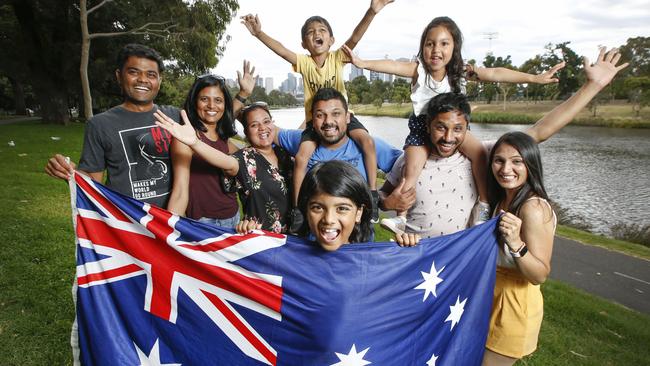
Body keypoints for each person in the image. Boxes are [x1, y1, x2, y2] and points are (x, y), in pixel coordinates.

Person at [382, 47, 628, 246]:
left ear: (467, 128)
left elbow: (539, 132)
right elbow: (384, 196)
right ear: (427, 126)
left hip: (458, 261)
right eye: (440, 127)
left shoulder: (483, 155)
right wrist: (388, 203)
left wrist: (592, 87)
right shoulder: (409, 161)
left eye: (458, 129)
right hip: (414, 257)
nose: (448, 137)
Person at [343, 16, 565, 232]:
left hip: (453, 128)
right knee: (410, 170)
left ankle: (485, 208)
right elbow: (391, 65)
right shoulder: (418, 71)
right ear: (422, 47)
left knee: (479, 153)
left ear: (454, 47)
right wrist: (361, 63)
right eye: (430, 44)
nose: (436, 50)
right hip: (422, 129)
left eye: (444, 43)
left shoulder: (461, 72)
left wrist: (534, 78)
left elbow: (496, 72)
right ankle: (402, 217)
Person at [240, 0, 394, 224]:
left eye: (322, 31)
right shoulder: (304, 63)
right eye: (311, 33)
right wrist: (259, 33)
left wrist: (371, 11)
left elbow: (355, 37)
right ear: (304, 43)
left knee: (367, 143)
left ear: (331, 40)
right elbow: (282, 50)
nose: (316, 34)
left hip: (343, 118)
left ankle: (371, 194)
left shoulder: (337, 58)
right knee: (302, 157)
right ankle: (298, 210)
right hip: (315, 123)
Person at [44, 44, 251, 208]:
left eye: (151, 74)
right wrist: (70, 174)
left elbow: (212, 114)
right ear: (119, 76)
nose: (142, 79)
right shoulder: (100, 124)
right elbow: (93, 182)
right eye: (134, 72)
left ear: (159, 81)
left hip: (174, 216)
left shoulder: (173, 116)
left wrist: (242, 96)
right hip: (129, 221)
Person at [155, 101, 293, 233]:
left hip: (297, 237)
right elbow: (224, 160)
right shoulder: (245, 159)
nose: (262, 128)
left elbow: (306, 139)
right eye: (254, 125)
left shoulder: (286, 153)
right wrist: (195, 143)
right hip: (262, 238)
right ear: (246, 132)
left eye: (266, 121)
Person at [274, 88, 402, 225]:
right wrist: (246, 96)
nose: (328, 121)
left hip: (359, 242)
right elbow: (268, 131)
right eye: (320, 115)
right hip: (313, 240)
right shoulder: (303, 143)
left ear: (347, 117)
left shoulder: (369, 145)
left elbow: (408, 165)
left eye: (336, 114)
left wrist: (383, 199)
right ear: (312, 118)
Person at [481, 132, 555, 365]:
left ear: (530, 164)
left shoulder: (532, 208)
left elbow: (540, 274)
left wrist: (516, 243)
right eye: (499, 160)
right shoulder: (502, 198)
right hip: (490, 296)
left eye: (516, 161)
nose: (505, 169)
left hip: (513, 306)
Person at [296, 160, 373, 251]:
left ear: (358, 213)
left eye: (342, 208)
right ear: (306, 211)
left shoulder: (372, 261)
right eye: (317, 208)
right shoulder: (287, 256)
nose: (329, 219)